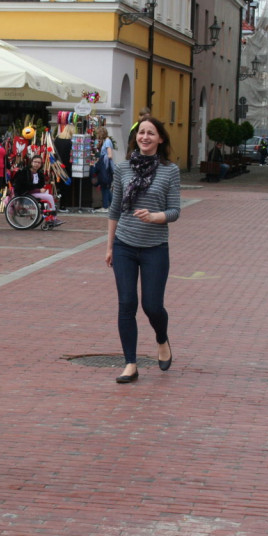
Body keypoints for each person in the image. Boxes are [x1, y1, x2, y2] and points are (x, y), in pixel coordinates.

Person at [105, 117, 181, 384]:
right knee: (126, 304)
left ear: (160, 139)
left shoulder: (170, 171)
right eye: (141, 133)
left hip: (155, 248)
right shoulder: (123, 168)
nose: (145, 137)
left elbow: (175, 211)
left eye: (151, 133)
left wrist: (155, 216)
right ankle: (130, 364)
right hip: (125, 245)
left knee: (152, 306)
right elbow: (115, 209)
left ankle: (162, 339)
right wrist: (110, 246)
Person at [12, 154, 63, 229]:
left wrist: (41, 188)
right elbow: (23, 185)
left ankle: (50, 216)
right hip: (25, 192)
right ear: (31, 162)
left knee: (49, 197)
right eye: (35, 162)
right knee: (49, 197)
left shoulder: (40, 173)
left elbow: (40, 185)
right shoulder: (24, 172)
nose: (37, 164)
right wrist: (38, 190)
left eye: (39, 163)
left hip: (35, 192)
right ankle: (52, 218)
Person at [53, 124, 74, 211]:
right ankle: (63, 205)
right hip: (67, 166)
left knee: (57, 185)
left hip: (57, 165)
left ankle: (56, 203)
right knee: (65, 186)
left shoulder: (57, 139)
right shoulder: (70, 142)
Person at [94, 126, 114, 212]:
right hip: (106, 167)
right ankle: (113, 204)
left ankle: (106, 206)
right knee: (106, 187)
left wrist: (102, 158)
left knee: (105, 187)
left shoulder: (107, 142)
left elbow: (109, 155)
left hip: (105, 167)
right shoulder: (106, 141)